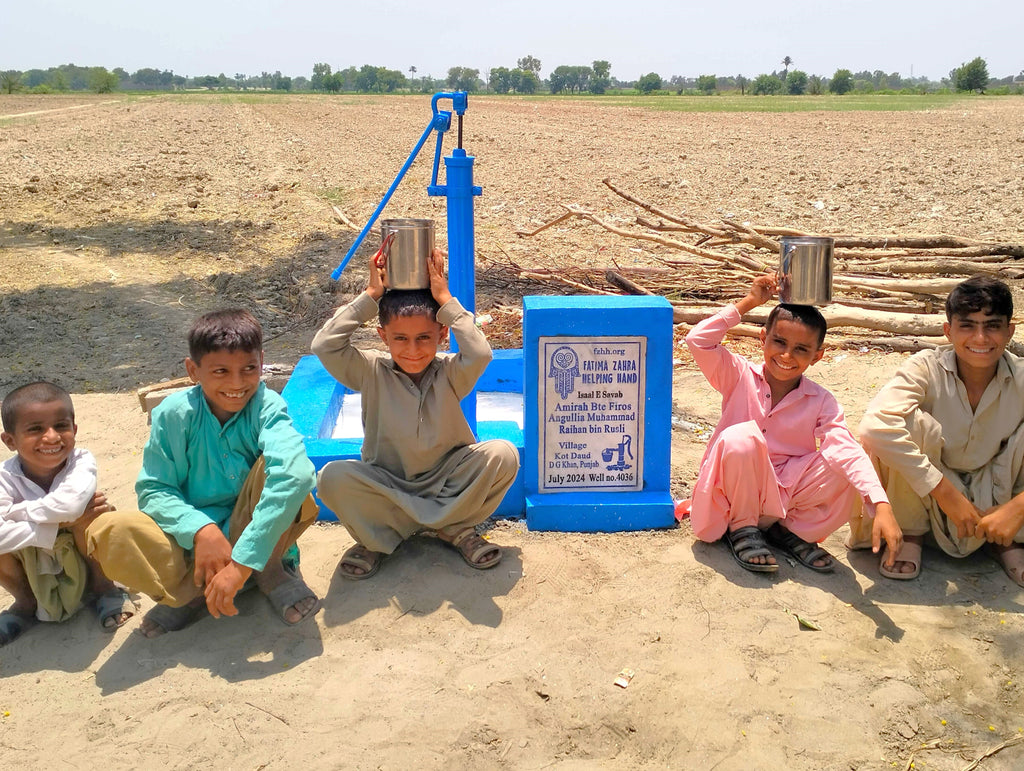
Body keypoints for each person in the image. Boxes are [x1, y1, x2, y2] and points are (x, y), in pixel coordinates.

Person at [86, 309, 321, 637]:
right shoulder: (173, 414)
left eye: (249, 369)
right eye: (221, 371)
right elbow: (155, 490)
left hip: (257, 535)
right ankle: (192, 592)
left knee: (286, 472)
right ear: (193, 371)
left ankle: (268, 573)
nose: (237, 384)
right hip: (195, 545)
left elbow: (294, 475)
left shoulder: (268, 406)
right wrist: (202, 530)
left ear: (262, 361)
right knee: (111, 529)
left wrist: (242, 563)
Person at [312, 249, 519, 579]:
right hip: (389, 482)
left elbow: (480, 351)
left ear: (442, 335)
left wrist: (446, 300)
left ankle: (448, 529)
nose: (413, 350)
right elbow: (324, 345)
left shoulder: (452, 372)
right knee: (331, 478)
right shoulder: (369, 370)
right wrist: (370, 295)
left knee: (503, 455)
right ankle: (396, 535)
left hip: (447, 479)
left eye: (424, 338)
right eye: (401, 339)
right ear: (383, 337)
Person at [685, 274, 901, 574]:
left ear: (818, 356)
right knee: (741, 438)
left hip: (781, 499)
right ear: (763, 339)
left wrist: (881, 505)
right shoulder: (737, 375)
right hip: (731, 499)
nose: (787, 356)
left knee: (849, 460)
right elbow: (697, 340)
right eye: (780, 342)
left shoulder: (821, 400)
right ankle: (742, 528)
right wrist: (750, 302)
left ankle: (787, 532)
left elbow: (845, 449)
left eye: (801, 349)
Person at [851, 275, 1024, 585]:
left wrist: (1019, 507)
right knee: (902, 424)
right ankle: (912, 532)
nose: (981, 339)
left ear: (1009, 331)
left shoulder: (1022, 378)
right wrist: (942, 491)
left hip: (996, 485)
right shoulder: (925, 368)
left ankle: (1008, 538)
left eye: (992, 326)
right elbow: (873, 426)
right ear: (948, 331)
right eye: (968, 325)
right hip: (926, 492)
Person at [1, 381, 134, 646]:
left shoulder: (81, 461)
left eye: (61, 426)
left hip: (80, 546)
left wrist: (16, 512)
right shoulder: (5, 477)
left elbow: (70, 508)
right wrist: (51, 527)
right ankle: (26, 602)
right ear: (10, 441)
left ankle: (104, 587)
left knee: (94, 515)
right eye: (35, 429)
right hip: (34, 557)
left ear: (74, 429)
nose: (51, 437)